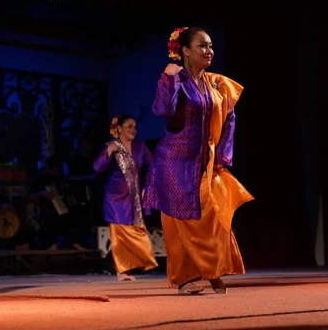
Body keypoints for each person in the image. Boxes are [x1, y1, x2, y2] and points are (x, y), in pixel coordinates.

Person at [142, 26, 254, 295]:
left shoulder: (217, 82)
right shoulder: (175, 79)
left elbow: (229, 119)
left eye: (211, 45)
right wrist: (168, 79)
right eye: (202, 46)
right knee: (178, 221)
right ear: (185, 51)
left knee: (214, 216)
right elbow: (163, 110)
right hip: (173, 161)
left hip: (205, 162)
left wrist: (223, 156)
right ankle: (183, 279)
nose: (209, 51)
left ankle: (212, 269)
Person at [93, 114, 158, 281]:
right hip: (115, 197)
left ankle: (136, 264)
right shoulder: (113, 146)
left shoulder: (141, 147)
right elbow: (98, 168)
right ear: (119, 128)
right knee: (120, 234)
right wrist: (108, 151)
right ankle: (122, 271)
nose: (133, 130)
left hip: (134, 197)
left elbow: (153, 167)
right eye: (129, 126)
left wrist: (147, 187)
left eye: (135, 127)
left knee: (138, 231)